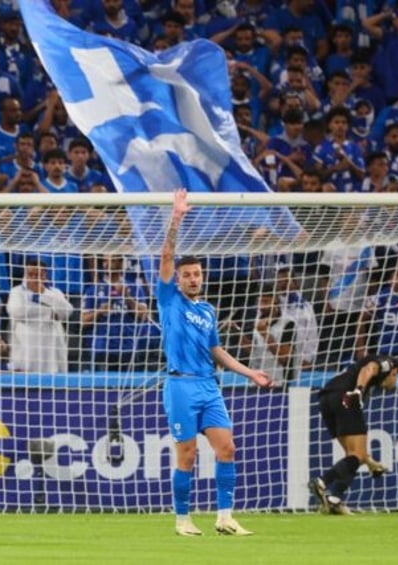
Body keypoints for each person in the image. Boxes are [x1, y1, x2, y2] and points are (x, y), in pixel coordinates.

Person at [158, 190, 271, 537]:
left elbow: (216, 352)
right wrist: (176, 219)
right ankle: (182, 520)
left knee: (227, 448)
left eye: (197, 274)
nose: (193, 278)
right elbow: (166, 255)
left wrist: (249, 371)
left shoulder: (207, 311)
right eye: (187, 274)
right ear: (178, 278)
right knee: (187, 455)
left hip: (209, 385)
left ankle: (225, 517)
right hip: (180, 384)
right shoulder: (168, 299)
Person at [310, 355, 398, 515]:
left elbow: (359, 456)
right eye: (397, 377)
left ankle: (334, 501)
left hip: (327, 398)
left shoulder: (356, 373)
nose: (395, 382)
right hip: (346, 397)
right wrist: (358, 390)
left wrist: (371, 462)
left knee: (353, 456)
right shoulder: (389, 363)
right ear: (394, 372)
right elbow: (369, 369)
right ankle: (323, 481)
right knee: (356, 455)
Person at [7, 257, 74, 374]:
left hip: (52, 351)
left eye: (37, 274)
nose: (33, 278)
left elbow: (67, 311)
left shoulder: (55, 292)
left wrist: (41, 296)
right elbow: (17, 311)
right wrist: (49, 312)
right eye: (30, 274)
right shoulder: (16, 292)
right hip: (26, 349)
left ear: (44, 276)